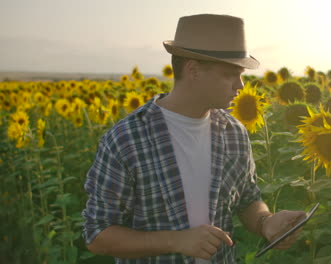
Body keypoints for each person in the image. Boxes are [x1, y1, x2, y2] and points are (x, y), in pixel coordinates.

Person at [82, 14, 306, 264]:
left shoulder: (234, 132)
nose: (240, 85)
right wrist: (175, 240)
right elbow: (98, 235)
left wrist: (266, 222)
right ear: (193, 70)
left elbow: (247, 200)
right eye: (230, 74)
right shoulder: (126, 140)